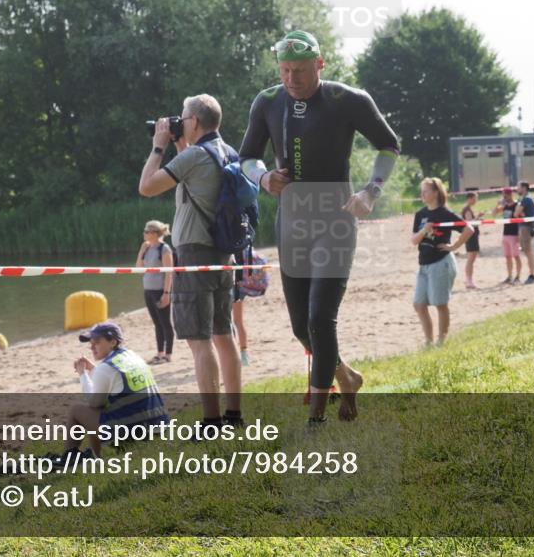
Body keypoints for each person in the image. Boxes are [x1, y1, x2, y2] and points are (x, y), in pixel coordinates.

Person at [239, 29, 400, 424]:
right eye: (285, 71)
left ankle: (316, 419)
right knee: (300, 327)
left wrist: (370, 192)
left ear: (320, 64)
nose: (292, 79)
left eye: (300, 70)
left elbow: (389, 144)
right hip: (292, 220)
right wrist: (262, 179)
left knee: (319, 318)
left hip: (337, 218)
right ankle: (346, 377)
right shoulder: (268, 101)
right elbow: (246, 158)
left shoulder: (347, 100)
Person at [139, 93, 243, 428]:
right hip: (222, 254)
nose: (179, 122)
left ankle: (211, 420)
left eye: (183, 118)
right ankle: (233, 415)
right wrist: (179, 142)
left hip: (194, 254)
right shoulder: (227, 152)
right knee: (224, 335)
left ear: (194, 121)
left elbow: (147, 187)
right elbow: (193, 177)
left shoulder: (195, 155)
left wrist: (158, 146)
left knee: (200, 342)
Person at [56, 321, 169, 462]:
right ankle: (96, 458)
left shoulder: (106, 368)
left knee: (77, 410)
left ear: (113, 342)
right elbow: (115, 381)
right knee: (100, 409)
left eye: (96, 342)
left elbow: (93, 402)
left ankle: (70, 457)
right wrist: (92, 370)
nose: (91, 347)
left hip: (133, 434)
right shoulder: (132, 356)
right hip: (158, 428)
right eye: (90, 343)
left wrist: (82, 374)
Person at [411, 178, 473, 347]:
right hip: (423, 264)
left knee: (440, 304)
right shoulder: (421, 214)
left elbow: (469, 229)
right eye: (421, 191)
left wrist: (453, 246)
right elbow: (414, 240)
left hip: (441, 263)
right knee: (419, 304)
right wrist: (425, 230)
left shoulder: (445, 213)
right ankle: (429, 342)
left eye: (426, 191)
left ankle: (441, 341)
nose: (422, 194)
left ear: (436, 192)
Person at [135, 220, 175, 365]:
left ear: (154, 233)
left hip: (160, 290)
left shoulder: (164, 249)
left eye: (146, 231)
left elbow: (169, 273)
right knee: (157, 323)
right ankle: (160, 353)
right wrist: (141, 251)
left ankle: (168, 355)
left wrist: (166, 293)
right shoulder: (147, 248)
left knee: (165, 323)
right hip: (148, 290)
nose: (144, 234)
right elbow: (139, 269)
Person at [494, 188, 522, 284]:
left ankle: (517, 276)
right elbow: (494, 213)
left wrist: (519, 235)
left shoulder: (516, 205)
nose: (504, 197)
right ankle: (509, 276)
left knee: (516, 256)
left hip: (514, 234)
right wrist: (498, 204)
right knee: (508, 256)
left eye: (506, 195)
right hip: (505, 234)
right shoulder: (505, 206)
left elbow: (520, 217)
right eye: (503, 195)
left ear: (510, 195)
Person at [515, 181, 534, 284]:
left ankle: (532, 276)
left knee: (528, 252)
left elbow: (516, 213)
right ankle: (531, 275)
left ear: (524, 188)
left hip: (526, 227)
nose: (517, 189)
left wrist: (519, 209)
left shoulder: (526, 199)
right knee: (527, 251)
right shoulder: (526, 199)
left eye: (518, 187)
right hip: (526, 227)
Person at [460, 192, 483, 288]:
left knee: (471, 258)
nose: (475, 201)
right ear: (469, 199)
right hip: (471, 236)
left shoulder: (467, 209)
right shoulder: (467, 210)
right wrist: (478, 217)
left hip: (472, 235)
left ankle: (468, 280)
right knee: (470, 259)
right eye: (474, 198)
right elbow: (470, 223)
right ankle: (469, 280)